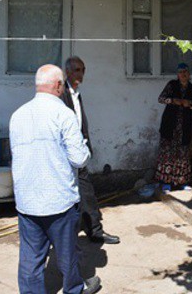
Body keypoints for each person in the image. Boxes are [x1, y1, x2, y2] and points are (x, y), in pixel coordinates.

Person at [10, 64, 101, 294]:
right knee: (67, 254)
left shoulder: (17, 115)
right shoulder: (63, 114)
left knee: (31, 260)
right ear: (59, 85)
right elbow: (79, 159)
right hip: (58, 201)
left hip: (27, 202)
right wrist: (87, 150)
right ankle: (74, 289)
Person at [61, 56, 120, 245]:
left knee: (87, 194)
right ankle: (66, 238)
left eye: (83, 70)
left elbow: (80, 124)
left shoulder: (77, 93)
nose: (81, 74)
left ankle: (95, 231)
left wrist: (86, 145)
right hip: (64, 155)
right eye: (77, 70)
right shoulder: (62, 94)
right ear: (68, 72)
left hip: (78, 152)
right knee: (67, 198)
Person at [155, 63, 192, 192]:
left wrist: (190, 104)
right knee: (167, 154)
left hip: (184, 127)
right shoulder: (171, 85)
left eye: (185, 72)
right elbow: (161, 99)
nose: (183, 74)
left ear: (189, 74)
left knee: (183, 154)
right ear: (177, 74)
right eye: (181, 72)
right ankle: (166, 183)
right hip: (169, 126)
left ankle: (182, 182)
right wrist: (173, 100)